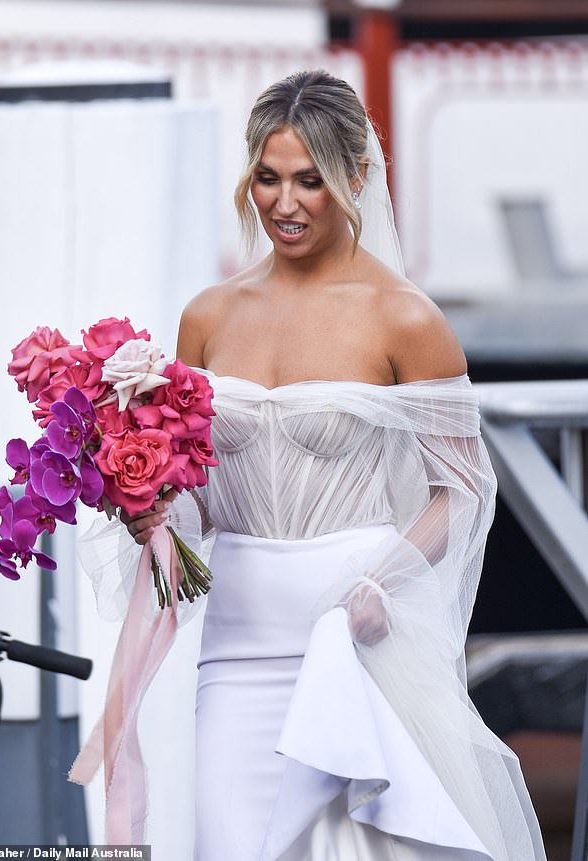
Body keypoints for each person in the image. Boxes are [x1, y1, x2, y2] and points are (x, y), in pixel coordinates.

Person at [120, 70, 546, 859]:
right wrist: (155, 513)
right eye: (269, 178)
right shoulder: (207, 316)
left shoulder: (406, 318)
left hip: (354, 633)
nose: (284, 203)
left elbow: (463, 489)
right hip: (237, 646)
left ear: (355, 177)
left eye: (310, 181)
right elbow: (203, 503)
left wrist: (383, 580)